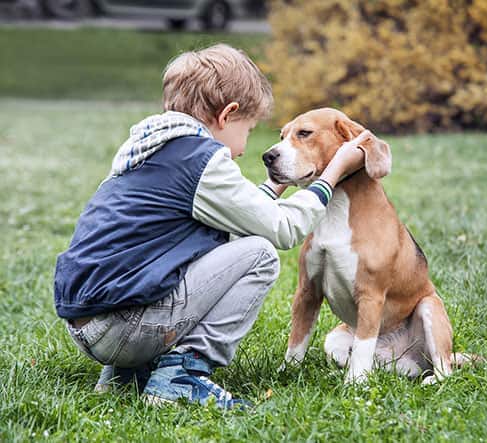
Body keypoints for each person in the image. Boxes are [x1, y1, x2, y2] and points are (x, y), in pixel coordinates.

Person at [54, 44, 368, 409]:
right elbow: (282, 230)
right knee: (260, 255)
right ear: (227, 115)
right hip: (127, 327)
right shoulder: (201, 160)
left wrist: (275, 185)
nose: (242, 149)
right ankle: (182, 375)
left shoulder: (148, 149)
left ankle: (126, 376)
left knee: (209, 252)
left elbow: (238, 219)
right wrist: (331, 175)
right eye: (248, 130)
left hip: (88, 323)